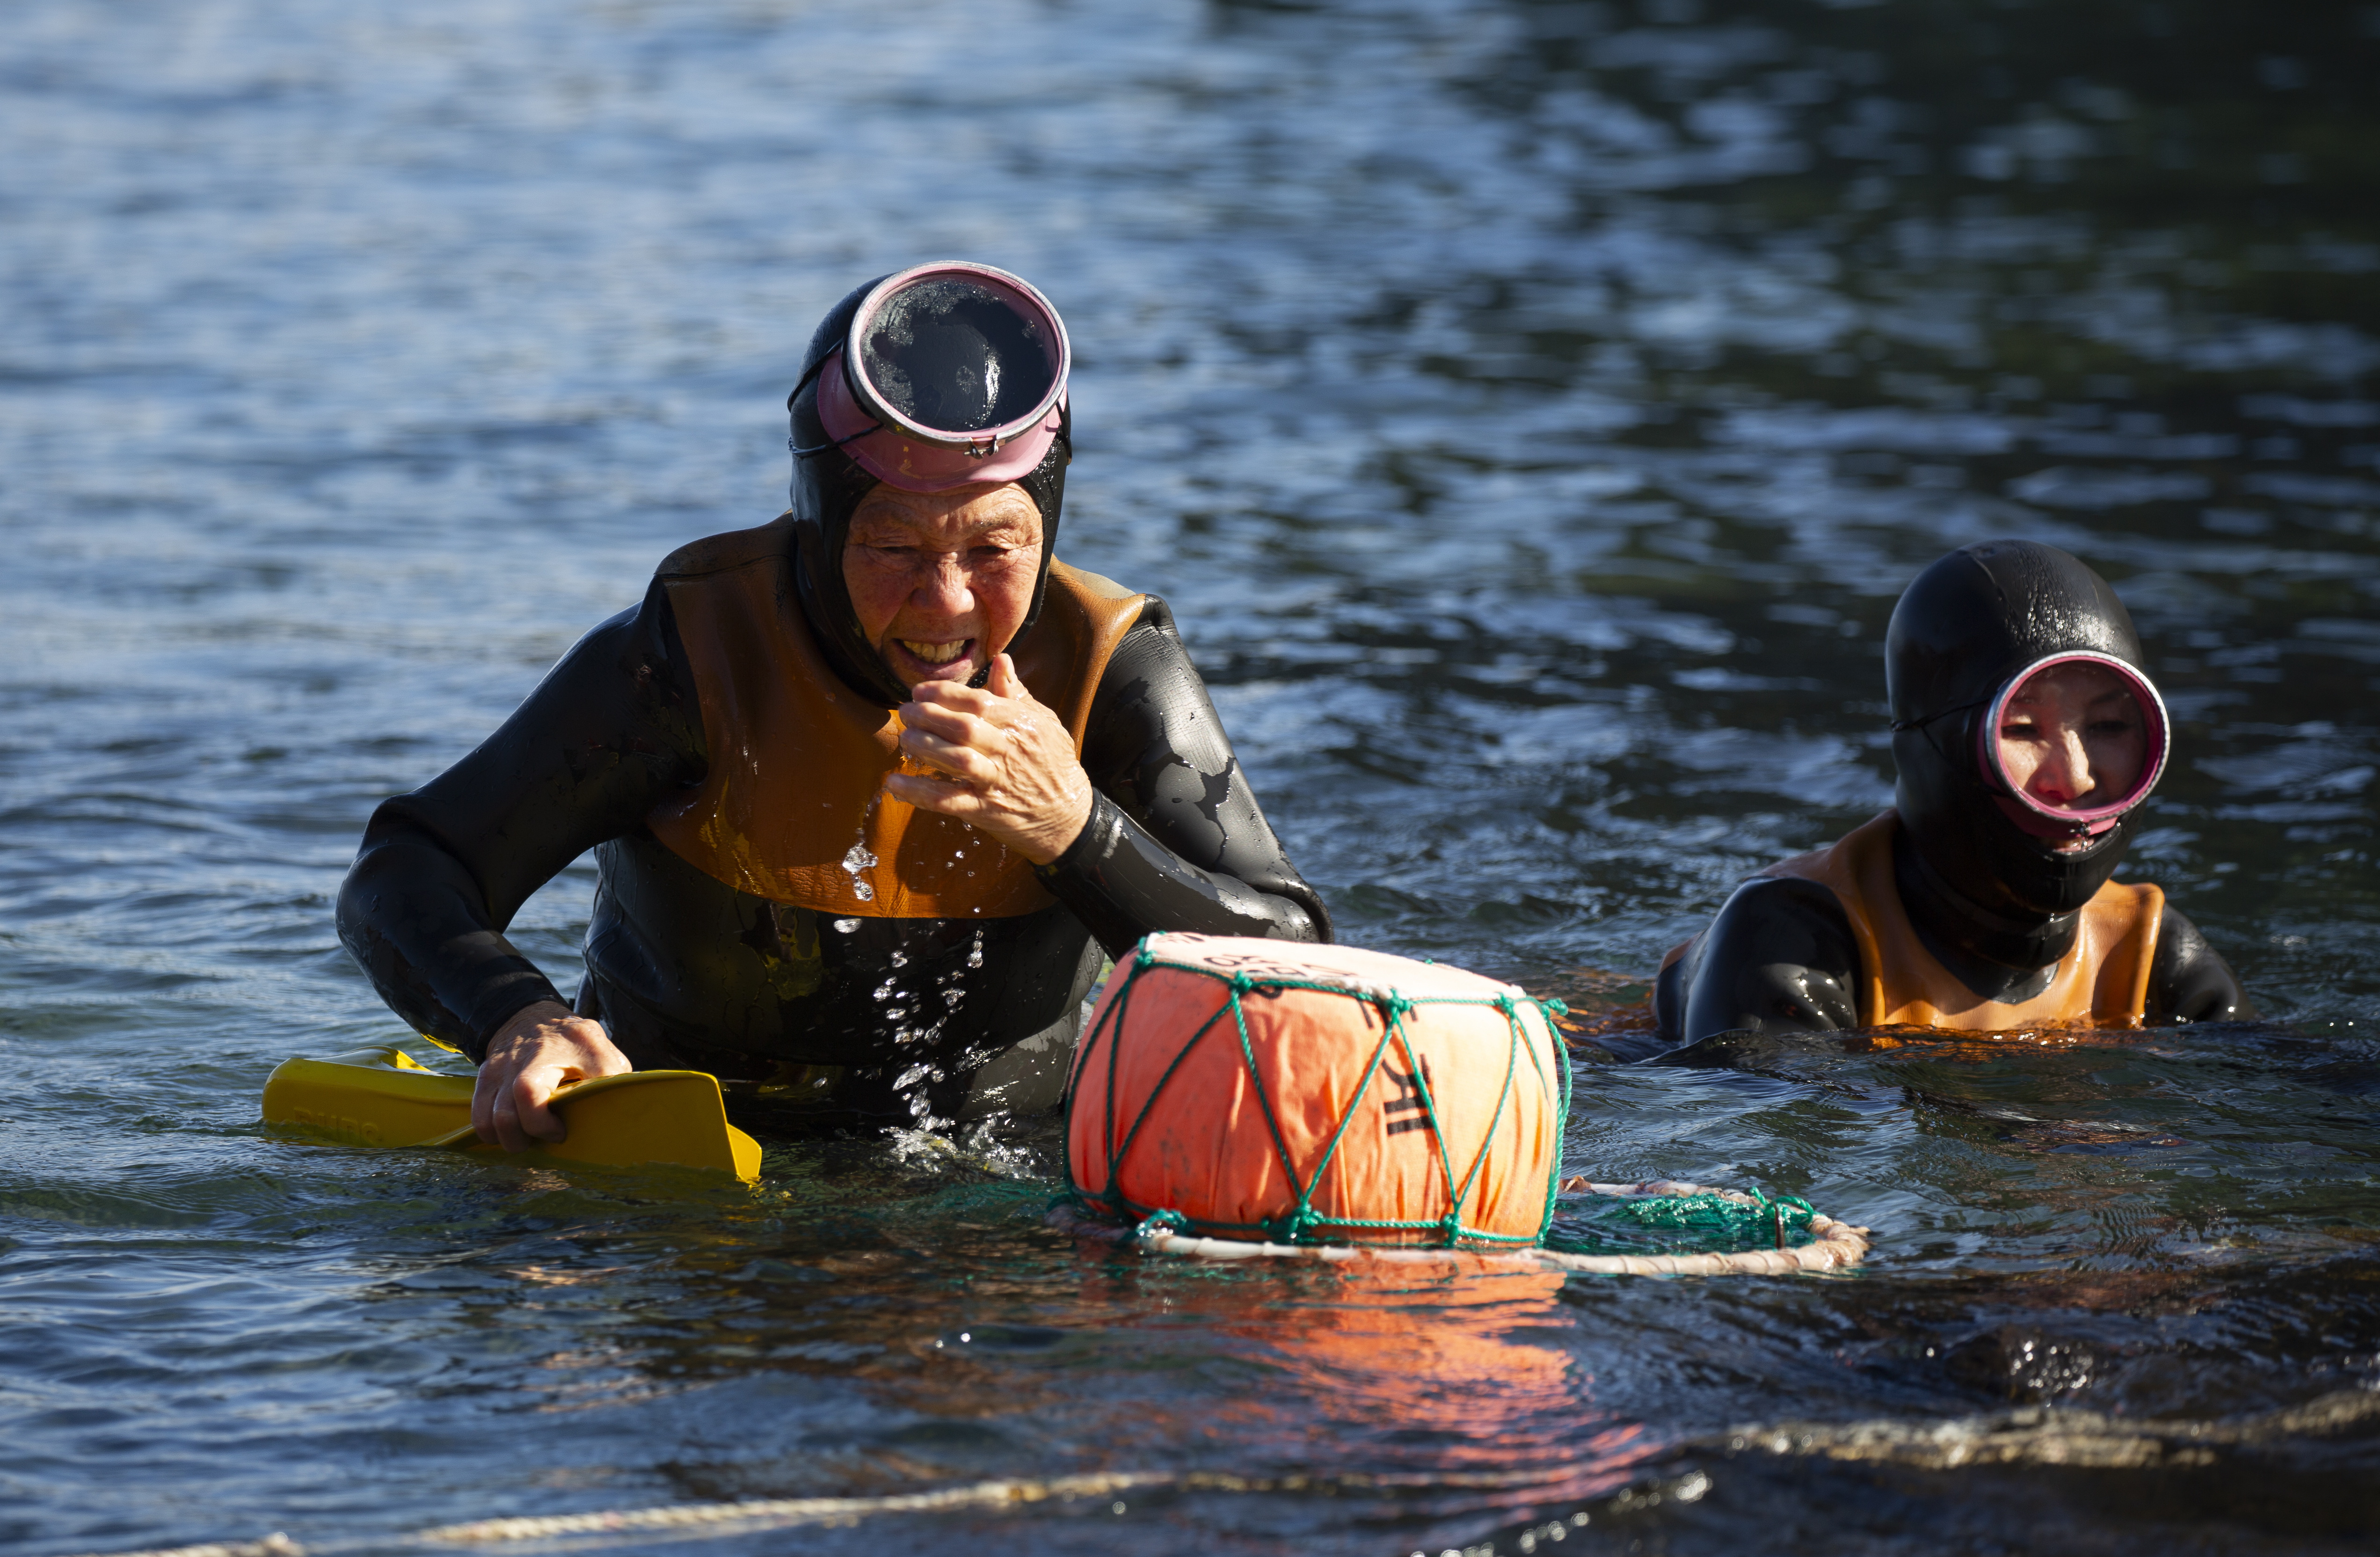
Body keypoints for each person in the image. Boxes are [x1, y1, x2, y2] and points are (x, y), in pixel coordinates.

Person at [338, 263, 1330, 1148]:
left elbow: (1300, 973)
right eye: (894, 547)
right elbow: (404, 870)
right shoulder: (694, 652)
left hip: (1000, 1182)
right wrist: (518, 1019)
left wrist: (1075, 830)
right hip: (688, 1166)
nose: (945, 604)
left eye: (993, 547)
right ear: (816, 527)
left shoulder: (1109, 668)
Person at [1654, 539, 2248, 1045]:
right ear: (1930, 744)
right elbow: (1768, 1137)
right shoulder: (1791, 938)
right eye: (2019, 730)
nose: (2073, 779)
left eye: (2109, 728)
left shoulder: (2144, 949)